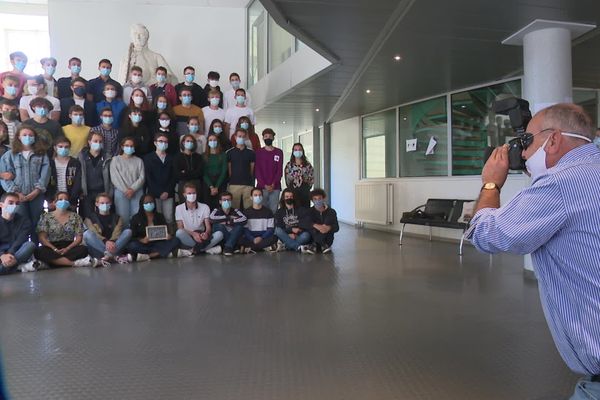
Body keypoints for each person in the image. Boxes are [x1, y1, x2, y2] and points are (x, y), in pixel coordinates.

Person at [466, 103, 600, 399]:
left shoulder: (560, 185)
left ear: (553, 140)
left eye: (526, 142)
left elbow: (486, 235)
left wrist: (491, 183)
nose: (523, 153)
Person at [0, 126, 50, 243]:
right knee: (20, 223)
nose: (28, 137)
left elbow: (46, 173)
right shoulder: (9, 155)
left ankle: (35, 250)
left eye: (31, 135)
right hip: (17, 197)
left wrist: (37, 190)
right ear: (18, 137)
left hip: (36, 195)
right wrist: (16, 193)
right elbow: (5, 178)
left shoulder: (41, 154)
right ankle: (20, 252)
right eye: (24, 135)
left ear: (35, 138)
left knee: (36, 223)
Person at [35, 191, 97, 268]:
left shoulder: (75, 217)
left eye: (66, 199)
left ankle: (52, 263)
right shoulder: (46, 217)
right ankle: (73, 263)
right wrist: (54, 249)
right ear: (54, 202)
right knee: (39, 251)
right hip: (52, 247)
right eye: (60, 199)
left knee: (84, 249)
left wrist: (67, 249)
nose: (63, 201)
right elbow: (42, 238)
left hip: (69, 246)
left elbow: (79, 238)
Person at [127, 194, 180, 261]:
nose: (149, 204)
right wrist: (142, 240)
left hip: (159, 243)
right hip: (144, 244)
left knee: (176, 240)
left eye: (151, 202)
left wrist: (168, 236)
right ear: (142, 204)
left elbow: (167, 231)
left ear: (154, 203)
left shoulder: (160, 216)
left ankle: (149, 256)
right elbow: (133, 237)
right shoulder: (135, 218)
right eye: (146, 203)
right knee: (132, 246)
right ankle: (162, 252)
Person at [175, 182, 223, 256]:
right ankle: (206, 249)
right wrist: (193, 234)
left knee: (220, 234)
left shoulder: (205, 207)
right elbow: (180, 227)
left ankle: (191, 251)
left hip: (202, 236)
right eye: (189, 193)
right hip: (189, 235)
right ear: (184, 194)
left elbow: (208, 227)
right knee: (179, 233)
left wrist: (206, 233)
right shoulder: (179, 208)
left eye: (194, 193)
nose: (192, 195)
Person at [83, 193, 132, 264]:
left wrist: (111, 241)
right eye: (102, 203)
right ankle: (113, 256)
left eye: (107, 203)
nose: (105, 205)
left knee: (128, 232)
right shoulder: (89, 218)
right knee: (87, 234)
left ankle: (108, 256)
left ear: (111, 203)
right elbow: (95, 233)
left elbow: (117, 233)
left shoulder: (117, 218)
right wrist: (105, 241)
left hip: (114, 246)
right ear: (96, 204)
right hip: (98, 249)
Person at [110, 137, 145, 226]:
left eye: (131, 146)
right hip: (121, 192)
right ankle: (125, 236)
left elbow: (142, 177)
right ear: (122, 147)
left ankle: (135, 236)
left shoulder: (139, 161)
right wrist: (126, 190)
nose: (129, 147)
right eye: (127, 145)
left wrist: (132, 189)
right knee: (122, 216)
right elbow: (115, 178)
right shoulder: (115, 160)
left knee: (136, 215)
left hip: (136, 191)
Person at [144, 132, 176, 226]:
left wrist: (167, 191)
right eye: (161, 141)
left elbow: (174, 177)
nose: (163, 143)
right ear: (155, 143)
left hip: (168, 193)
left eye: (166, 142)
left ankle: (169, 237)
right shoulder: (148, 158)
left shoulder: (171, 158)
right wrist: (159, 192)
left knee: (169, 217)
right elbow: (148, 177)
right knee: (156, 217)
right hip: (154, 193)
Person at [0, 192, 37, 274]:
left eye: (17, 203)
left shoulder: (24, 221)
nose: (14, 206)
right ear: (1, 205)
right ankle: (16, 267)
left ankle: (5, 268)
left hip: (15, 252)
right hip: (1, 253)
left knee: (30, 245)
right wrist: (2, 255)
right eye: (10, 203)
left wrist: (9, 255)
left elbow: (21, 240)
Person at [78, 131, 112, 219]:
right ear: (89, 142)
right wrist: (80, 191)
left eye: (100, 141)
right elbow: (78, 176)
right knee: (87, 218)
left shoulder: (108, 158)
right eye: (95, 141)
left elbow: (111, 177)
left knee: (102, 218)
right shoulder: (81, 157)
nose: (98, 143)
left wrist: (109, 193)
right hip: (86, 193)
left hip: (103, 192)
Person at [46, 136, 82, 211]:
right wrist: (49, 200)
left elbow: (77, 183)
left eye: (66, 147)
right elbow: (46, 182)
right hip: (54, 200)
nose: (64, 149)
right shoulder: (49, 163)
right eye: (60, 146)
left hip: (70, 199)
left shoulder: (75, 163)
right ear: (55, 148)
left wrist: (73, 201)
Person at [239, 188, 276, 253]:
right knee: (239, 239)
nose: (258, 197)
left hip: (264, 237)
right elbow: (245, 229)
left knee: (274, 237)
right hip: (251, 238)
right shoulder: (246, 212)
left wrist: (261, 237)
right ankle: (264, 248)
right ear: (251, 197)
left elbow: (271, 229)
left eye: (260, 195)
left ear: (262, 197)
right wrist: (252, 239)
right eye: (255, 195)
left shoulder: (268, 212)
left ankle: (250, 248)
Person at [255, 128, 284, 213]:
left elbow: (279, 170)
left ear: (273, 138)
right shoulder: (258, 152)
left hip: (275, 187)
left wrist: (273, 184)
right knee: (262, 210)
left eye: (270, 136)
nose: (268, 138)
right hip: (262, 187)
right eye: (266, 136)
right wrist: (264, 185)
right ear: (263, 138)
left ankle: (272, 226)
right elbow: (257, 170)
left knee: (273, 210)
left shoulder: (279, 152)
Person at [210, 191, 247, 256]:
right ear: (220, 201)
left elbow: (244, 219)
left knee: (240, 227)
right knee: (219, 225)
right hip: (221, 235)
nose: (226, 201)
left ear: (231, 201)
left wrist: (230, 222)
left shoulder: (235, 210)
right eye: (224, 200)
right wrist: (229, 217)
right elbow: (211, 219)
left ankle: (228, 247)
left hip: (232, 232)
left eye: (228, 200)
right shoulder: (216, 210)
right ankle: (232, 246)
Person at [303, 188, 338, 254]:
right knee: (312, 227)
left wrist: (329, 228)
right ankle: (322, 245)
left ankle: (315, 245)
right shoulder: (309, 211)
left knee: (325, 228)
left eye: (319, 198)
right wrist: (316, 226)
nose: (318, 201)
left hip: (327, 240)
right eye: (315, 199)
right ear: (312, 201)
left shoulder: (331, 212)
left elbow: (336, 227)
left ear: (323, 198)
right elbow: (304, 223)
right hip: (313, 238)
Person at [227, 128, 255, 210]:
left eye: (243, 136)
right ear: (235, 137)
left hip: (248, 185)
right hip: (234, 184)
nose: (241, 138)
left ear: (246, 137)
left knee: (249, 208)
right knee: (234, 209)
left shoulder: (251, 152)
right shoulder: (229, 152)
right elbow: (229, 169)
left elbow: (252, 169)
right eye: (239, 136)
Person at [175, 134, 203, 204]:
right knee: (183, 206)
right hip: (183, 185)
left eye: (191, 141)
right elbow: (177, 174)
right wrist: (192, 172)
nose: (189, 143)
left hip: (196, 184)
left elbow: (199, 173)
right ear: (183, 142)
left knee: (197, 205)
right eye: (187, 141)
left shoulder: (198, 157)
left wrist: (185, 172)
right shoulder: (177, 157)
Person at [284, 143, 314, 208]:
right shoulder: (289, 165)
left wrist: (306, 186)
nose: (298, 151)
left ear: (303, 151)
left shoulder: (308, 165)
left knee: (305, 210)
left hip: (305, 191)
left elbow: (311, 179)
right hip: (293, 191)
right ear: (293, 151)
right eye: (296, 150)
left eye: (300, 149)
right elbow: (287, 180)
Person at [203, 133, 228, 210]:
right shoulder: (204, 155)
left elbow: (224, 171)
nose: (212, 142)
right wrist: (211, 186)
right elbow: (203, 172)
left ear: (217, 142)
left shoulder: (223, 155)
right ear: (207, 142)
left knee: (219, 206)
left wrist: (216, 186)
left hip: (220, 183)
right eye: (210, 140)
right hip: (207, 183)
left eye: (214, 140)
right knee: (207, 205)